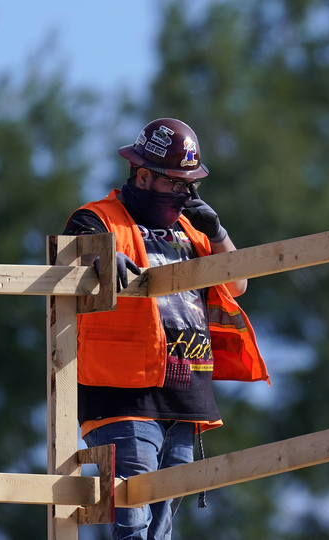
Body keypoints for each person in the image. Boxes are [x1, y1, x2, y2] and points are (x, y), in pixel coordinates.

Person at [63, 118, 267, 540]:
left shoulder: (191, 230)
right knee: (133, 519)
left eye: (188, 186)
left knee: (161, 526)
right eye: (175, 183)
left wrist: (217, 230)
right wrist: (98, 258)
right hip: (123, 393)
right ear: (142, 176)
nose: (184, 194)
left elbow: (237, 283)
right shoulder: (98, 219)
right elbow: (72, 255)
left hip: (185, 394)